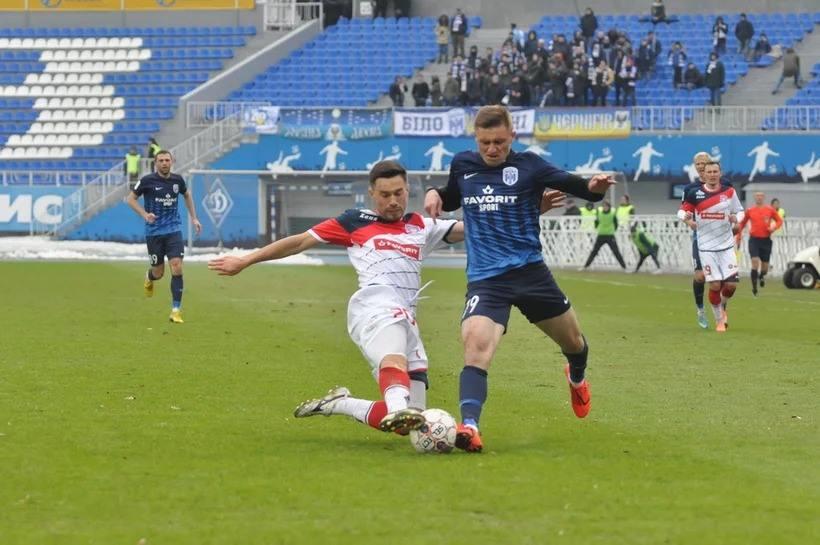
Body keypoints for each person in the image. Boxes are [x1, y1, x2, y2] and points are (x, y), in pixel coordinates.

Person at [210, 160, 563, 437]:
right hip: (374, 307)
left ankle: (341, 404)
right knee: (395, 367)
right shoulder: (353, 221)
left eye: (398, 193)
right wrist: (246, 260)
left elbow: (479, 228)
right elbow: (299, 241)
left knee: (413, 420)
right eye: (385, 195)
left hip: (407, 316)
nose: (393, 201)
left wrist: (530, 209)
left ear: (407, 190)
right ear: (371, 194)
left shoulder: (421, 225)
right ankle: (397, 405)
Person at [423, 106, 613, 452]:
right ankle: (470, 426)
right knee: (475, 346)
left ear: (512, 136)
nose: (492, 149)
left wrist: (594, 187)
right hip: (486, 280)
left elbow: (578, 186)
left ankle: (576, 376)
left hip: (531, 274)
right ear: (476, 139)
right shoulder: (463, 164)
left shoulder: (530, 166)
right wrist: (435, 192)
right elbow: (451, 196)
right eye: (485, 142)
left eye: (499, 141)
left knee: (574, 343)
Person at [126, 150, 202, 323]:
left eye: (167, 160)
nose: (164, 163)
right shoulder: (147, 181)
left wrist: (194, 218)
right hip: (154, 233)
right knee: (158, 273)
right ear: (156, 163)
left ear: (172, 162)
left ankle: (176, 311)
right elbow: (130, 199)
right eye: (161, 160)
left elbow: (187, 195)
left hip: (173, 230)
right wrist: (145, 214)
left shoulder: (177, 180)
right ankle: (149, 276)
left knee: (177, 267)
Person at [678, 161, 743, 333]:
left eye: (715, 171)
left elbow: (740, 210)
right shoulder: (694, 193)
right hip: (706, 247)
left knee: (731, 286)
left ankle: (722, 306)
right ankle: (718, 320)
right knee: (713, 284)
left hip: (726, 246)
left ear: (720, 173)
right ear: (703, 174)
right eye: (709, 172)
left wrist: (737, 219)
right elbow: (681, 211)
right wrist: (687, 218)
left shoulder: (729, 191)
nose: (712, 174)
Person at [682, 151, 712, 328]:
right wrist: (689, 222)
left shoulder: (724, 186)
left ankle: (721, 310)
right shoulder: (690, 189)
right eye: (698, 163)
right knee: (700, 277)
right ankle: (700, 309)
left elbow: (733, 208)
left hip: (721, 238)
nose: (701, 166)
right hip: (700, 237)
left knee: (722, 282)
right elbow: (683, 211)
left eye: (703, 162)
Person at [736, 192, 783, 296]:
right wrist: (738, 237)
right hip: (754, 240)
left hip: (766, 240)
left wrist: (773, 227)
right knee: (755, 262)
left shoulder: (770, 210)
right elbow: (742, 224)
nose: (759, 198)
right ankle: (754, 289)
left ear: (764, 198)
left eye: (761, 196)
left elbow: (779, 221)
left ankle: (762, 276)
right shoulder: (750, 210)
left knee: (765, 268)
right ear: (754, 198)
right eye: (757, 196)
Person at [582, 200, 627, 270]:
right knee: (594, 251)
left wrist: (613, 230)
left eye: (606, 206)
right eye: (604, 206)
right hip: (601, 235)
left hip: (610, 235)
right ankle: (586, 266)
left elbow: (616, 223)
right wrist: (597, 227)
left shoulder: (612, 213)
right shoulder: (599, 213)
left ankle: (624, 267)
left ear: (609, 207)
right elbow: (596, 221)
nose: (605, 207)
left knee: (616, 251)